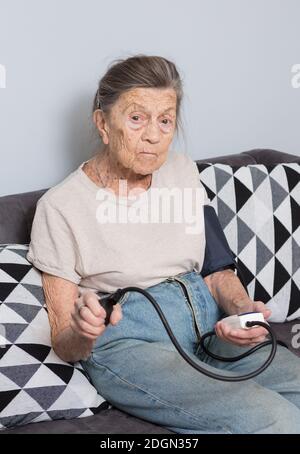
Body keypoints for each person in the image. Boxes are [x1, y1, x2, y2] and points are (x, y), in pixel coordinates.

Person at [27, 55, 300, 434]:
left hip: (208, 332)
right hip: (131, 347)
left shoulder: (182, 170)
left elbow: (217, 269)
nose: (154, 136)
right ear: (103, 124)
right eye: (137, 118)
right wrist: (85, 329)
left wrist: (241, 313)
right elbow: (64, 342)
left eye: (165, 120)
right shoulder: (60, 208)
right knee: (276, 419)